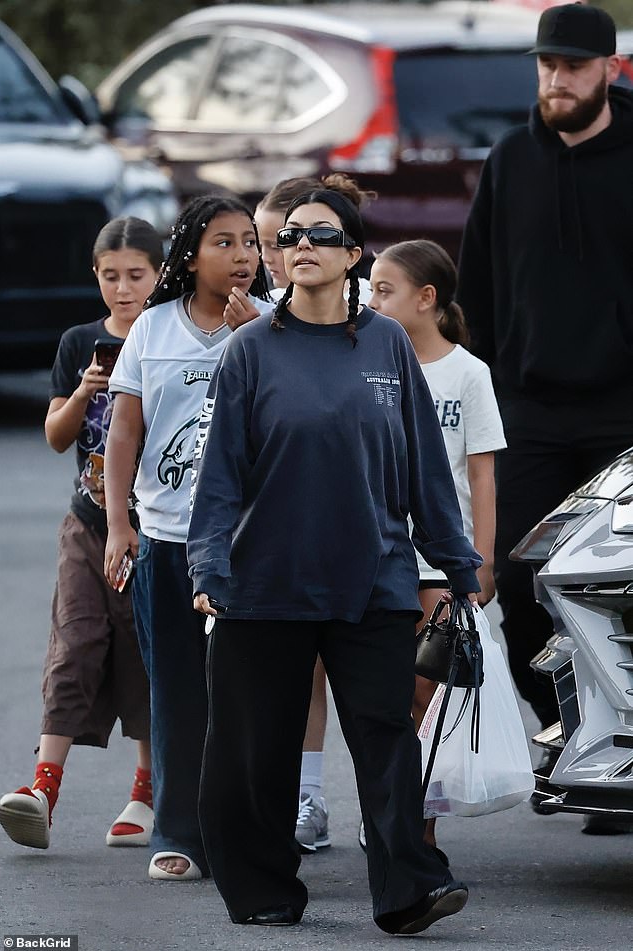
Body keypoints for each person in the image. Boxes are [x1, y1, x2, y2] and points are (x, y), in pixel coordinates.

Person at [187, 182, 482, 932]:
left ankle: (408, 887)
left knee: (387, 743)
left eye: (321, 235)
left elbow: (425, 468)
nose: (302, 247)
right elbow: (218, 474)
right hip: (263, 585)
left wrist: (458, 567)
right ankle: (263, 889)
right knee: (259, 752)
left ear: (355, 254)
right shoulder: (250, 351)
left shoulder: (387, 343)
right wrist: (208, 567)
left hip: (374, 582)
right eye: (289, 237)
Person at [457, 3, 633, 780]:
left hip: (625, 412)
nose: (556, 80)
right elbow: (477, 289)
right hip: (529, 408)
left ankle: (624, 748)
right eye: (546, 65)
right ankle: (567, 730)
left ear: (611, 70)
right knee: (518, 581)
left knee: (622, 594)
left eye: (572, 66)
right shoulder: (510, 160)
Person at [102, 196, 272, 880]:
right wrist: (120, 523)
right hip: (167, 540)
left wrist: (260, 330)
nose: (242, 255)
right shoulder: (151, 329)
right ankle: (177, 832)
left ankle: (249, 829)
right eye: (224, 242)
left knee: (250, 693)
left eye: (249, 243)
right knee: (174, 690)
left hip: (250, 542)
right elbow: (123, 433)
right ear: (189, 255)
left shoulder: (272, 324)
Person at [0, 217, 162, 851]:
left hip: (155, 527)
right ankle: (43, 787)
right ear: (95, 276)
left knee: (145, 650)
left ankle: (147, 791)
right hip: (89, 522)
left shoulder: (169, 335)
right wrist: (84, 392)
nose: (123, 290)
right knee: (74, 641)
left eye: (136, 276)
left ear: (159, 275)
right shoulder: (78, 343)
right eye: (110, 276)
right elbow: (55, 436)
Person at [368, 238, 506, 856]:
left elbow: (481, 474)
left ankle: (415, 825)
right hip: (378, 553)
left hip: (441, 560)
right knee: (385, 694)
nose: (371, 300)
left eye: (384, 290)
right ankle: (391, 817)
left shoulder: (468, 373)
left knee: (425, 695)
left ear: (426, 299)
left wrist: (480, 558)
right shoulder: (370, 360)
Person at [255, 174, 374, 854]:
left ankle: (381, 813)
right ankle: (293, 800)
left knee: (360, 686)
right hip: (273, 540)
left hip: (355, 536)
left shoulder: (362, 322)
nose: (281, 251)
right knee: (288, 681)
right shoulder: (254, 328)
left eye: (303, 236)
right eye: (276, 239)